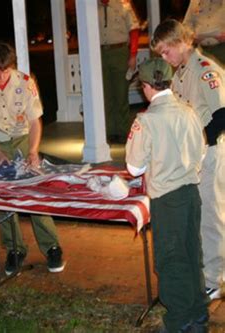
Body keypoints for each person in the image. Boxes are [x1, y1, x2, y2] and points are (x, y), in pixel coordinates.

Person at [0, 41, 65, 276]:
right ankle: (14, 249)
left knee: (34, 192)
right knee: (2, 198)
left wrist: (33, 151)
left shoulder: (25, 83)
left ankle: (52, 246)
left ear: (12, 66)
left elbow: (35, 121)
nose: (0, 76)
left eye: (5, 70)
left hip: (22, 139)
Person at [126, 57, 208, 332]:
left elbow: (134, 166)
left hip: (167, 198)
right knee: (192, 252)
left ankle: (177, 320)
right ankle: (198, 313)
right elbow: (202, 150)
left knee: (170, 259)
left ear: (147, 87)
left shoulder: (146, 120)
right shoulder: (189, 111)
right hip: (191, 193)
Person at [152, 19, 225, 302]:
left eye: (166, 52)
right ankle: (205, 272)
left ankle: (216, 280)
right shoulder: (181, 72)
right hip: (194, 156)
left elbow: (222, 114)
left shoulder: (205, 71)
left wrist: (200, 141)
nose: (164, 58)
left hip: (211, 153)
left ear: (182, 43)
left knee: (211, 216)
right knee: (199, 215)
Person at [98, 0, 140, 143]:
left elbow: (134, 30)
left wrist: (133, 54)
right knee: (106, 95)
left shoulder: (123, 5)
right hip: (100, 53)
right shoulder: (93, 7)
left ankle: (122, 132)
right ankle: (109, 131)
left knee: (121, 93)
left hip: (120, 51)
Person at [183, 0, 225, 65]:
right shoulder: (195, 1)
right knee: (204, 74)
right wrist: (192, 36)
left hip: (221, 49)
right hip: (201, 50)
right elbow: (187, 24)